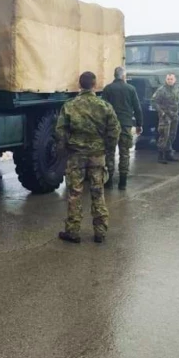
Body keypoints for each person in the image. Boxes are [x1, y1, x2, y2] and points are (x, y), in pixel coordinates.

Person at [55, 71, 121, 244]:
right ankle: (100, 232)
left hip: (76, 156)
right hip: (97, 156)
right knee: (98, 192)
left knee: (75, 194)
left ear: (79, 84)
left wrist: (63, 150)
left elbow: (60, 131)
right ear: (94, 85)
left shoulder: (69, 105)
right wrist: (107, 149)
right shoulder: (104, 106)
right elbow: (115, 130)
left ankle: (73, 231)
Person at [101, 66, 143, 190]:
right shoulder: (131, 89)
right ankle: (122, 183)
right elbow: (137, 108)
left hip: (111, 126)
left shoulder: (108, 89)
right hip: (125, 125)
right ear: (124, 76)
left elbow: (103, 108)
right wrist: (139, 124)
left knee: (110, 153)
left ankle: (108, 182)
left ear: (115, 75)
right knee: (124, 153)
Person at [152, 73, 179, 164]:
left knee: (172, 135)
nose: (169, 81)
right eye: (168, 79)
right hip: (165, 117)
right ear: (166, 80)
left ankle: (169, 154)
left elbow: (178, 101)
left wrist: (177, 112)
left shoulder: (177, 89)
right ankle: (161, 156)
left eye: (171, 79)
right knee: (164, 135)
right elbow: (154, 102)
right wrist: (162, 113)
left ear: (175, 80)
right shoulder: (161, 90)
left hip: (174, 116)